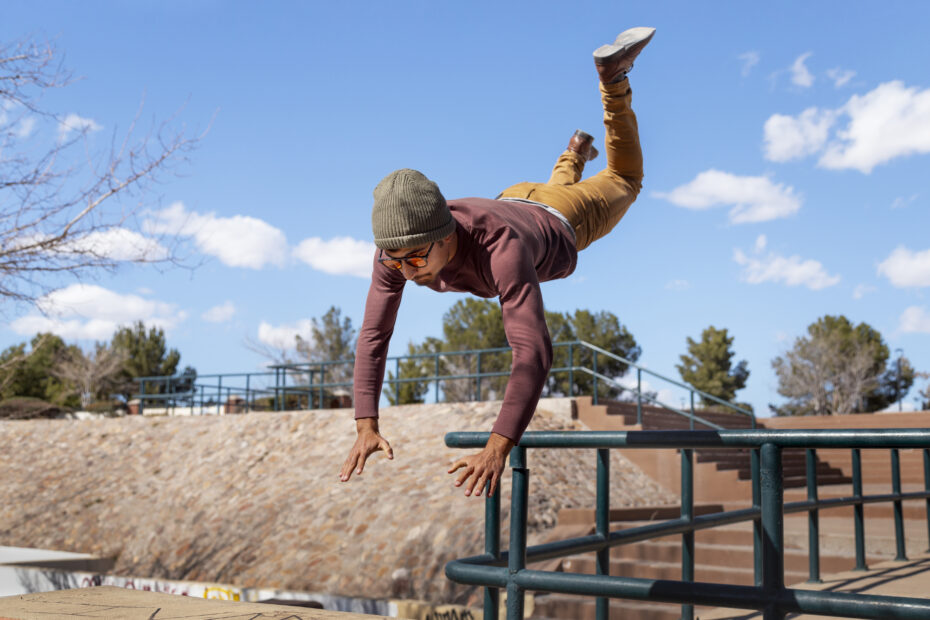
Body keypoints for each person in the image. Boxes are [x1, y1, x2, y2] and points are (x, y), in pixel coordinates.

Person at [339, 27, 655, 497]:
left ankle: (613, 82)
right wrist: (366, 423)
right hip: (517, 197)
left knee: (626, 179)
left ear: (446, 234)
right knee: (558, 186)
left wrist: (498, 446)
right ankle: (571, 155)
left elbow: (533, 352)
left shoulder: (500, 247)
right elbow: (374, 334)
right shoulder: (397, 249)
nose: (409, 272)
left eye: (419, 257)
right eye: (397, 261)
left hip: (562, 214)